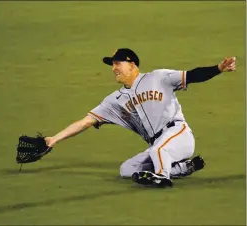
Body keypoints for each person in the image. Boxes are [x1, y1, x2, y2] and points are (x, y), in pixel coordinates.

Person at [45, 48, 236, 188]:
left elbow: (192, 75)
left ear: (132, 64)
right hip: (158, 145)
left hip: (178, 135)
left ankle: (163, 176)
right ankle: (180, 169)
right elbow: (85, 121)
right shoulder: (114, 101)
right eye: (112, 65)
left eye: (117, 63)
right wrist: (54, 139)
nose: (113, 68)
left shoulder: (158, 77)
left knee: (158, 150)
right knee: (127, 169)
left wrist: (218, 68)